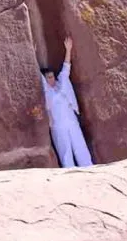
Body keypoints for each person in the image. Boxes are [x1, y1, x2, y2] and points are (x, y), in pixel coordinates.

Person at [40, 36, 93, 168]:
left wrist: (68, 49)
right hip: (58, 125)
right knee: (65, 152)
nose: (51, 79)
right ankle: (70, 171)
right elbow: (39, 77)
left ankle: (88, 167)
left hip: (71, 120)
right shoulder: (47, 91)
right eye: (48, 78)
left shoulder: (62, 82)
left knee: (80, 146)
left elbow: (66, 67)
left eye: (52, 76)